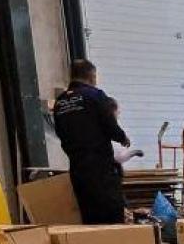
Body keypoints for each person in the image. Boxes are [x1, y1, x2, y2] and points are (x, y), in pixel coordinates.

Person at [51, 59, 130, 224]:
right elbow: (109, 125)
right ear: (92, 76)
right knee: (112, 216)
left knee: (89, 218)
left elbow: (60, 133)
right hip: (101, 169)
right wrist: (122, 137)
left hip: (78, 170)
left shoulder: (60, 102)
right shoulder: (95, 96)